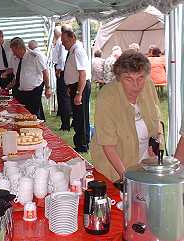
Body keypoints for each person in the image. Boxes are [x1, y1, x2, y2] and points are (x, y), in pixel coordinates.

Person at [91, 51, 162, 181]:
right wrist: (126, 178)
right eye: (128, 79)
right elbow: (108, 144)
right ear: (119, 78)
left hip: (145, 162)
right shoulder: (107, 96)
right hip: (115, 165)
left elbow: (157, 120)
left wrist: (157, 140)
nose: (136, 85)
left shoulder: (148, 85)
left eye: (140, 77)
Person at [61, 25, 91, 153]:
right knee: (78, 117)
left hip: (81, 86)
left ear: (72, 38)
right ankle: (81, 142)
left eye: (65, 42)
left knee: (80, 117)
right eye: (62, 42)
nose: (63, 45)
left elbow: (82, 74)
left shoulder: (78, 50)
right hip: (75, 85)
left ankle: (82, 145)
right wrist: (70, 86)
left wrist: (78, 93)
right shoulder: (73, 50)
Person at [4, 37, 51, 120]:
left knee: (33, 115)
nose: (13, 53)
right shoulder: (15, 58)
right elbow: (17, 74)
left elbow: (45, 72)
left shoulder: (35, 56)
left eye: (14, 51)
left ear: (20, 48)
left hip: (34, 91)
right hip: (20, 91)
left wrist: (47, 88)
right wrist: (11, 84)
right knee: (20, 113)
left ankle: (37, 131)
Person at [52, 26, 70, 130]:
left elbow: (62, 58)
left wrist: (58, 70)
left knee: (63, 98)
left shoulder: (60, 42)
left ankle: (65, 124)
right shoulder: (60, 41)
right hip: (61, 69)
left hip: (62, 70)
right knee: (64, 98)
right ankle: (66, 122)